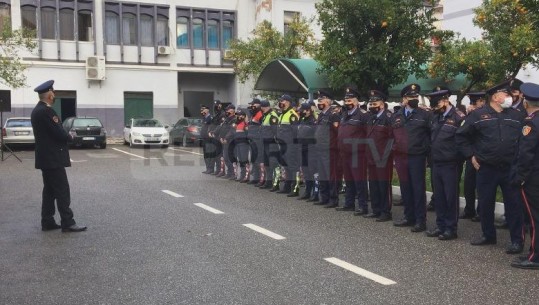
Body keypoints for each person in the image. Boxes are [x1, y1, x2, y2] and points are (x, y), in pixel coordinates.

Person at [456, 80, 525, 254]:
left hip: (510, 168)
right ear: (495, 97)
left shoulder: (516, 115)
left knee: (514, 205)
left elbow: (524, 140)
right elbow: (461, 137)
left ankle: (517, 240)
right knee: (486, 204)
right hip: (486, 168)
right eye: (507, 94)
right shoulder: (478, 115)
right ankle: (488, 235)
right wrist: (470, 155)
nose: (510, 97)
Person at [30, 80, 87, 233]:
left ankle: (47, 221)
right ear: (49, 95)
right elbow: (58, 133)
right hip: (53, 159)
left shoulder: (36, 110)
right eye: (53, 93)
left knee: (49, 191)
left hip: (45, 158)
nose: (54, 95)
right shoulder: (48, 111)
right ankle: (68, 222)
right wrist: (70, 137)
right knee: (62, 190)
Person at [424, 89, 465, 240]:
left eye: (437, 103)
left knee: (450, 197)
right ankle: (440, 225)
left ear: (446, 101)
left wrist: (457, 159)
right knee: (439, 197)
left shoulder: (459, 117)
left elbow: (463, 141)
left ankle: (451, 228)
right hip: (436, 162)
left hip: (451, 164)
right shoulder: (435, 117)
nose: (435, 107)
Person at [392, 84, 431, 233]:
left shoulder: (425, 115)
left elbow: (430, 136)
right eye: (411, 97)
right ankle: (409, 217)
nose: (414, 99)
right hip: (401, 157)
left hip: (417, 156)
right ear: (404, 99)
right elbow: (393, 136)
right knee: (405, 188)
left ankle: (421, 220)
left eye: (416, 96)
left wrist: (426, 153)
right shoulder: (397, 115)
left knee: (418, 188)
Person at [511, 82, 539, 269]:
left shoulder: (530, 122)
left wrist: (520, 177)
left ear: (525, 102)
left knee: (535, 218)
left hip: (532, 178)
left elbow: (526, 154)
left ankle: (535, 257)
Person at [336, 87, 371, 214]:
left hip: (358, 153)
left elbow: (368, 134)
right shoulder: (344, 115)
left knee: (359, 180)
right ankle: (349, 203)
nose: (347, 102)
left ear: (356, 101)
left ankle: (363, 206)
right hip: (344, 152)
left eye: (350, 100)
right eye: (346, 100)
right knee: (349, 179)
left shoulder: (363, 115)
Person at [365, 90, 394, 222]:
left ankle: (385, 211)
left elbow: (392, 138)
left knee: (383, 185)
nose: (371, 106)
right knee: (374, 185)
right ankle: (376, 209)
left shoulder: (388, 118)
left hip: (383, 158)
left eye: (374, 103)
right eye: (370, 104)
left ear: (382, 105)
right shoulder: (371, 118)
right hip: (371, 156)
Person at [460, 91, 486, 221]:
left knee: (482, 185)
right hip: (471, 154)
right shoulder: (470, 115)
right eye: (479, 101)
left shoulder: (486, 114)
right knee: (469, 184)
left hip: (483, 153)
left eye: (482, 101)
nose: (482, 103)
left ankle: (481, 212)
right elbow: (464, 132)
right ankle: (469, 209)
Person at [313, 90, 341, 207]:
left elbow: (337, 132)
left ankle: (333, 199)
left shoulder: (333, 115)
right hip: (320, 148)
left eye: (322, 99)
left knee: (331, 175)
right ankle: (324, 197)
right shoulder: (321, 115)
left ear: (328, 101)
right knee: (322, 174)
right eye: (318, 99)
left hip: (330, 150)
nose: (319, 101)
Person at [275, 94, 300, 196]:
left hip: (290, 145)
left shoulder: (292, 114)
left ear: (288, 102)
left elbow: (295, 132)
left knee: (292, 166)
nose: (281, 102)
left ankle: (295, 188)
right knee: (286, 166)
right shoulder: (282, 114)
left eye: (283, 101)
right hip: (283, 144)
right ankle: (287, 186)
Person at [296, 103, 317, 200]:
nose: (300, 112)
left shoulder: (313, 121)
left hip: (311, 149)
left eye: (302, 110)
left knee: (311, 171)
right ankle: (307, 192)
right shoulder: (302, 120)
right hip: (302, 149)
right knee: (305, 171)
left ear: (308, 110)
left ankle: (315, 193)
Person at [258, 100, 279, 189]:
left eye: (262, 107)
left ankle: (275, 183)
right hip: (265, 143)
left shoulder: (272, 116)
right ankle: (268, 182)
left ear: (264, 107)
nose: (261, 109)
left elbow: (275, 131)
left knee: (273, 163)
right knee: (267, 163)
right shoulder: (265, 116)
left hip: (271, 143)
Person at [247, 98, 264, 184]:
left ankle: (260, 179)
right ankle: (255, 178)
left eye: (253, 104)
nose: (251, 106)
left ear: (258, 105)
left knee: (258, 159)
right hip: (252, 139)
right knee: (253, 159)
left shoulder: (260, 114)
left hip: (257, 140)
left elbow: (262, 126)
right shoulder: (253, 114)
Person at [200, 105, 215, 174]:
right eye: (202, 109)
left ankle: (211, 169)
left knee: (209, 153)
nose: (202, 110)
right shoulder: (204, 118)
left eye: (204, 109)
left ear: (207, 110)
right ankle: (207, 168)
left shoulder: (210, 118)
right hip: (204, 138)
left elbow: (211, 127)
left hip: (209, 139)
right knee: (205, 154)